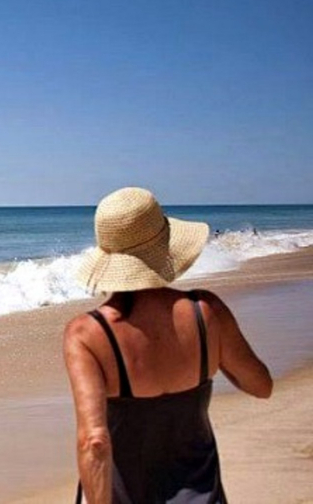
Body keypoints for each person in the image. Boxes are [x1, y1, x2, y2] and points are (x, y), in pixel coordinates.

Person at [64, 187, 272, 503]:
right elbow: (260, 385)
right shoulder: (206, 312)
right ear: (165, 247)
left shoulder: (88, 334)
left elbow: (94, 441)